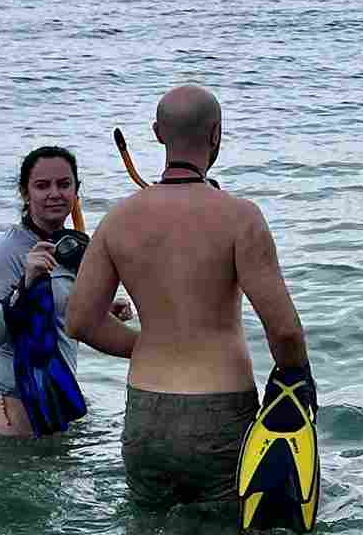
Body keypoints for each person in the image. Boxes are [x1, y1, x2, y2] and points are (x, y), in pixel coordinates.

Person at [64, 85, 312, 510]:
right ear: (216, 134)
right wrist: (298, 384)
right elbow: (285, 332)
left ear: (158, 134)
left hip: (146, 416)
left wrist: (149, 344)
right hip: (219, 411)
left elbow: (81, 321)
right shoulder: (239, 217)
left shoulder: (119, 218)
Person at [0, 146, 131, 437]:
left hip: (49, 403)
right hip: (6, 406)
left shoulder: (69, 248)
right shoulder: (8, 253)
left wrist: (100, 311)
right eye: (42, 186)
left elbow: (56, 317)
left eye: (64, 184)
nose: (54, 193)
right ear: (25, 193)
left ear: (76, 191)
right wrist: (26, 284)